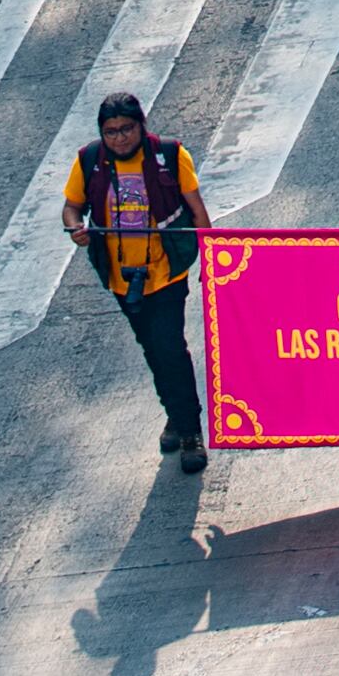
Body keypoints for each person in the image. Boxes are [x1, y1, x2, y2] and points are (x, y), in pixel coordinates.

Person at [58, 92, 212, 468]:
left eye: (127, 128)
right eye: (110, 132)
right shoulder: (89, 160)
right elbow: (72, 207)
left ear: (142, 126)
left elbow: (197, 211)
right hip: (121, 278)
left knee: (170, 349)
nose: (120, 138)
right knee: (152, 350)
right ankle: (174, 413)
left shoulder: (171, 156)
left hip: (166, 273)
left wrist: (212, 259)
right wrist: (75, 228)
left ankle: (191, 434)